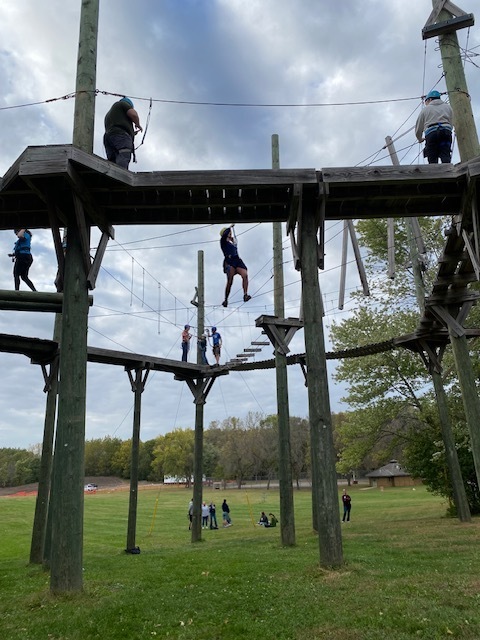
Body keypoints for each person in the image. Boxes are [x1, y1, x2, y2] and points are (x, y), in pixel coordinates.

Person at [415, 90, 454, 164]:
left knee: (432, 157)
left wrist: (419, 138)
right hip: (446, 133)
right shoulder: (448, 107)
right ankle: (448, 172)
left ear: (429, 99)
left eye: (425, 101)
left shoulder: (425, 110)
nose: (425, 104)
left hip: (432, 134)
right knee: (445, 155)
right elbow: (451, 122)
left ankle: (435, 172)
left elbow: (418, 128)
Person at [104, 97, 143, 170]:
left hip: (109, 137)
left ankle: (111, 178)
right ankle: (120, 177)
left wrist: (132, 133)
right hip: (120, 136)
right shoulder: (122, 104)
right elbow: (134, 114)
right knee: (124, 154)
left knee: (113, 160)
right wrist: (137, 124)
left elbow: (117, 129)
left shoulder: (110, 114)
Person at [220, 226, 251, 307]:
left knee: (245, 275)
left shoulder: (232, 242)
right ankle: (226, 299)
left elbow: (235, 247)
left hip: (237, 260)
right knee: (230, 281)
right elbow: (226, 232)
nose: (230, 234)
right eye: (229, 233)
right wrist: (230, 227)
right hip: (229, 261)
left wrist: (233, 241)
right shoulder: (223, 242)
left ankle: (245, 295)